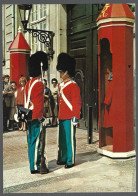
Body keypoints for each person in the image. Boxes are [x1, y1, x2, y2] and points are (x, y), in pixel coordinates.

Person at [25, 51, 49, 174]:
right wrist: (41, 117)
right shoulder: (39, 84)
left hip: (28, 114)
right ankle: (35, 166)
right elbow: (39, 104)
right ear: (40, 69)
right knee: (37, 140)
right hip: (36, 115)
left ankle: (32, 163)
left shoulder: (28, 83)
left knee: (30, 140)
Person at [56, 53, 81, 169]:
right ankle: (64, 157)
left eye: (61, 72)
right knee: (62, 140)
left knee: (69, 139)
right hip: (62, 116)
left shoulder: (73, 85)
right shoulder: (60, 85)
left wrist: (76, 116)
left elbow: (77, 103)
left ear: (67, 72)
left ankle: (70, 160)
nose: (60, 74)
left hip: (70, 116)